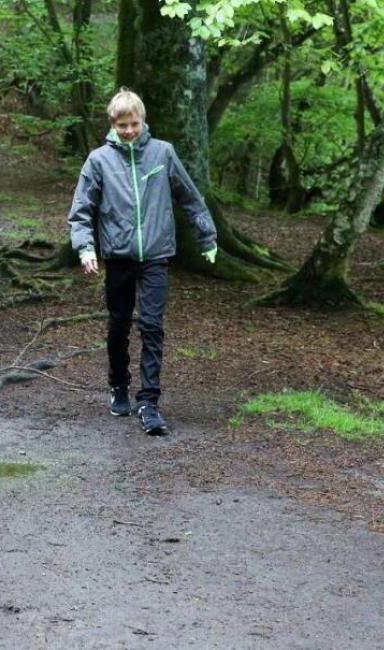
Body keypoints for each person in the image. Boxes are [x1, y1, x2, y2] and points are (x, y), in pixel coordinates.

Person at [66, 88, 218, 435]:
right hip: (118, 256)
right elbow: (81, 210)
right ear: (112, 124)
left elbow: (190, 197)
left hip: (157, 255)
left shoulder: (163, 153)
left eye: (134, 124)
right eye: (122, 125)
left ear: (143, 121)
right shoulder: (98, 161)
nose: (129, 131)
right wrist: (85, 248)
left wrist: (207, 235)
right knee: (118, 325)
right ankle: (119, 384)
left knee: (152, 326)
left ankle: (149, 400)